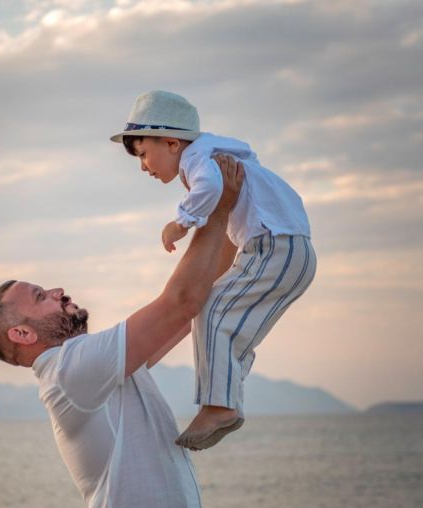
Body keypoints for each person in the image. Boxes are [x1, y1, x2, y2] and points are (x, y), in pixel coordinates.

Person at [0, 156, 244, 508]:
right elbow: (179, 303)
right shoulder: (68, 369)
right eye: (41, 295)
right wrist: (219, 209)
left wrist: (234, 217)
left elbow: (191, 307)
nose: (58, 290)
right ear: (21, 332)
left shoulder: (92, 370)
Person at [110, 90, 317, 451]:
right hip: (292, 252)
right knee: (231, 325)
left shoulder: (198, 159)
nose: (143, 166)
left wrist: (182, 222)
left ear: (173, 142)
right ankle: (225, 402)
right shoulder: (214, 153)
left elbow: (210, 187)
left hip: (273, 246)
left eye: (144, 154)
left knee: (211, 310)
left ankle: (219, 406)